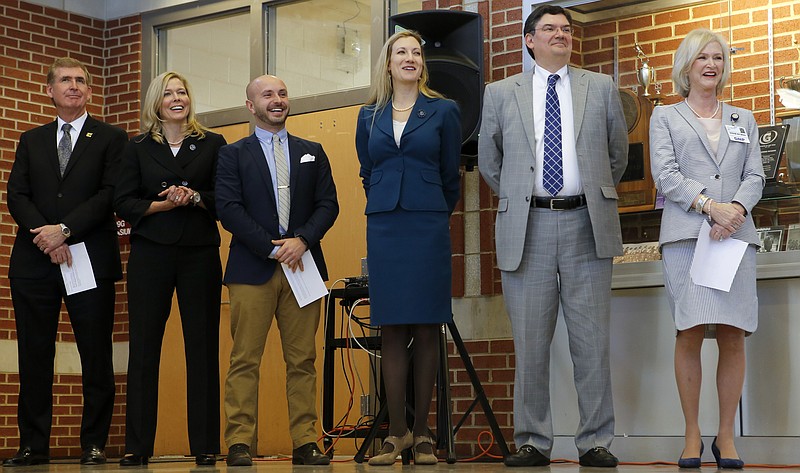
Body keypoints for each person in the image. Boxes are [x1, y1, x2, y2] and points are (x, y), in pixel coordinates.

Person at [478, 5, 628, 468]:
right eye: (549, 29)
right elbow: (489, 160)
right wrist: (525, 196)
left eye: (565, 29)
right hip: (529, 227)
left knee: (591, 341)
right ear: (529, 40)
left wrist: (589, 193)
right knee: (530, 342)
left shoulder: (600, 88)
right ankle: (533, 441)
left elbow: (617, 154)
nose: (560, 35)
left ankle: (595, 441)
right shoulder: (500, 92)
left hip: (587, 224)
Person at [649, 28, 764, 470]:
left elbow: (754, 175)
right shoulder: (666, 116)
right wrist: (709, 206)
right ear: (686, 67)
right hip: (686, 237)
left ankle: (726, 437)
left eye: (717, 57)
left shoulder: (743, 119)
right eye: (702, 58)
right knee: (690, 331)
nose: (711, 64)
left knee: (733, 334)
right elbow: (666, 173)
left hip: (734, 237)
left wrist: (733, 209)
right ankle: (693, 435)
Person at [4, 57, 127, 467]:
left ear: (90, 91)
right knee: (34, 356)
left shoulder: (111, 138)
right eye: (65, 81)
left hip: (88, 257)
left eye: (80, 81)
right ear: (50, 90)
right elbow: (16, 196)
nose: (73, 86)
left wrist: (66, 231)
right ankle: (33, 446)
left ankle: (93, 443)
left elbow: (109, 194)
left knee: (96, 356)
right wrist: (47, 234)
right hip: (35, 261)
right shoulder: (31, 140)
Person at [216, 74, 339, 467]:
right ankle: (239, 442)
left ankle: (305, 441)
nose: (278, 99)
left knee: (303, 361)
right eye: (267, 94)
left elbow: (328, 205)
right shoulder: (232, 154)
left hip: (303, 266)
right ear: (251, 106)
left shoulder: (313, 151)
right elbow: (228, 209)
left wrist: (301, 240)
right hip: (252, 267)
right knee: (244, 360)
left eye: (282, 93)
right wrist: (272, 248)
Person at [354, 30, 461, 466]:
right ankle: (394, 434)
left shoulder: (443, 110)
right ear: (388, 63)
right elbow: (367, 169)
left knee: (426, 325)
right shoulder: (368, 115)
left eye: (417, 52)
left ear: (422, 64)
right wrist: (384, 199)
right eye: (402, 52)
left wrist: (432, 207)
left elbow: (450, 174)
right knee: (392, 326)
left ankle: (421, 436)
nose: (410, 58)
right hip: (384, 226)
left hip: (427, 224)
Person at [114, 71, 226, 466]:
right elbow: (124, 202)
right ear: (156, 103)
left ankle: (206, 446)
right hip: (151, 254)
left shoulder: (212, 143)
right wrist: (164, 204)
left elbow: (223, 198)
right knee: (144, 349)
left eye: (182, 92)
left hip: (199, 253)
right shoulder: (137, 147)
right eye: (168, 94)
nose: (177, 98)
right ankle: (137, 446)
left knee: (203, 348)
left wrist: (194, 196)